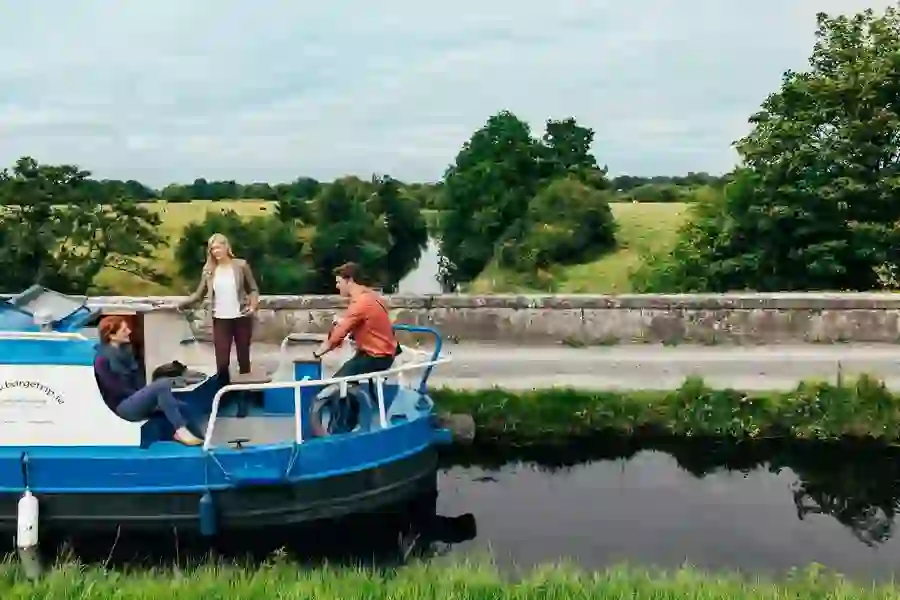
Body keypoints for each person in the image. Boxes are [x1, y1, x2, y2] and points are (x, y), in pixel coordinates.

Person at [93, 315, 203, 446]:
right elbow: (117, 390)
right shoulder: (102, 360)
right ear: (112, 336)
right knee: (162, 384)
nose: (129, 331)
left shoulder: (126, 351)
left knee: (182, 406)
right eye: (124, 330)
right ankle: (180, 431)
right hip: (122, 407)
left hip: (133, 399)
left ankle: (203, 442)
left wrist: (148, 398)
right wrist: (147, 399)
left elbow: (139, 381)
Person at [177, 233, 260, 384]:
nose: (216, 251)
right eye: (212, 249)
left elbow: (253, 290)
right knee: (222, 363)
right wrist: (181, 305)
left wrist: (252, 306)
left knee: (244, 360)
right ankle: (223, 397)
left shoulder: (241, 266)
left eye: (218, 247)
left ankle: (244, 400)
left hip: (241, 318)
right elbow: (198, 294)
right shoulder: (209, 270)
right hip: (220, 319)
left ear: (226, 247)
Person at [313, 262, 399, 378]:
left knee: (336, 383)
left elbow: (338, 334)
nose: (337, 286)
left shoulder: (361, 302)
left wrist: (317, 353)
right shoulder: (370, 296)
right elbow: (363, 322)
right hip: (382, 352)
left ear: (349, 280)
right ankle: (350, 392)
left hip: (377, 356)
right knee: (346, 373)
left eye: (339, 282)